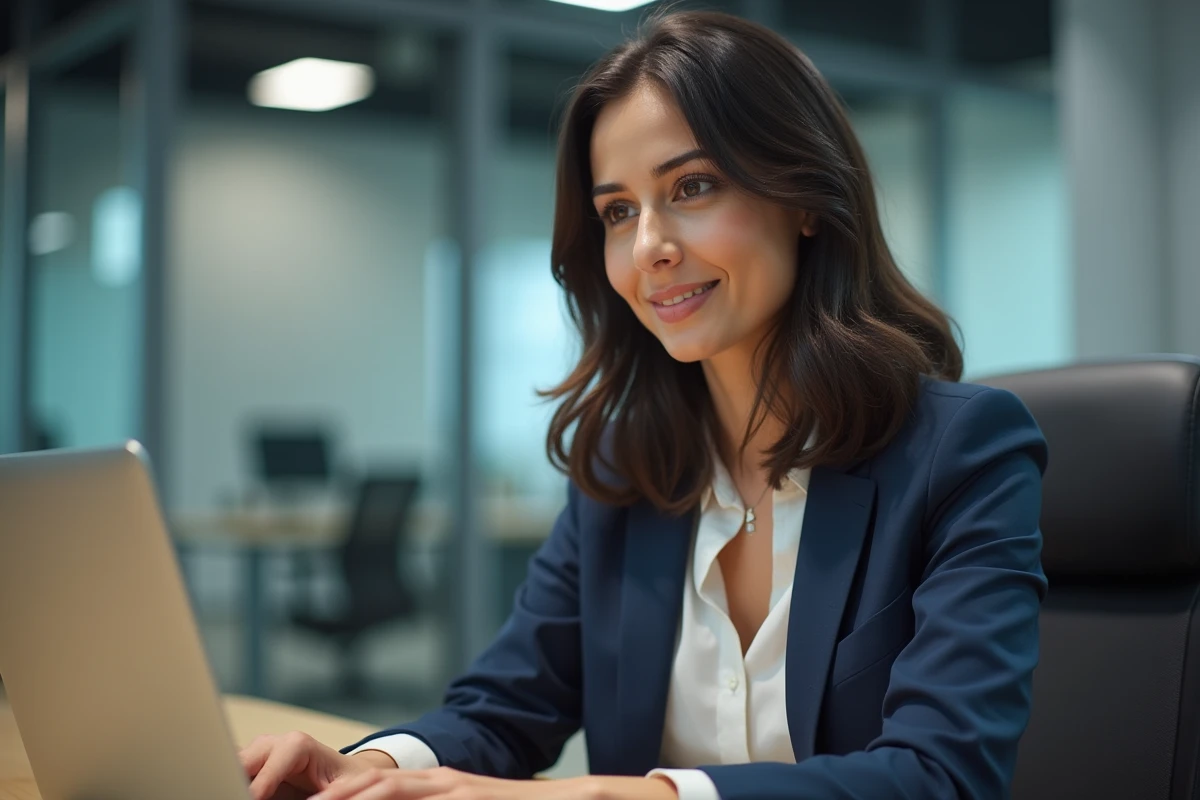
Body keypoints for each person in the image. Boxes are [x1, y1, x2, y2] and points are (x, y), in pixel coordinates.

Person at [240, 9, 1047, 800]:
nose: (649, 246)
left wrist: (611, 797)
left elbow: (942, 777)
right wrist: (376, 764)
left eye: (691, 186)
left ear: (804, 197)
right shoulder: (623, 470)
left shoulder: (963, 452)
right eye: (618, 211)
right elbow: (504, 705)